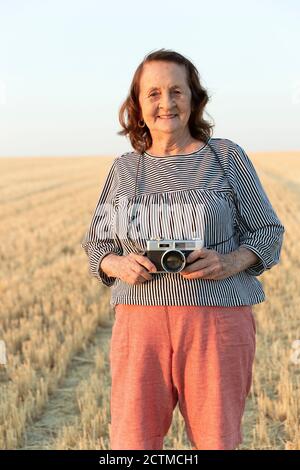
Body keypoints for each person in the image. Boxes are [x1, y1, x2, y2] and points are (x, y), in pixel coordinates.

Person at [81, 49, 285, 450]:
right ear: (138, 106)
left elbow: (268, 232)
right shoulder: (125, 169)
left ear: (193, 98)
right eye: (153, 93)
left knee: (217, 441)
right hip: (140, 324)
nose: (166, 102)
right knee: (132, 442)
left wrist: (230, 262)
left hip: (217, 323)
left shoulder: (225, 158)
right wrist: (119, 264)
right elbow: (96, 245)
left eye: (177, 90)